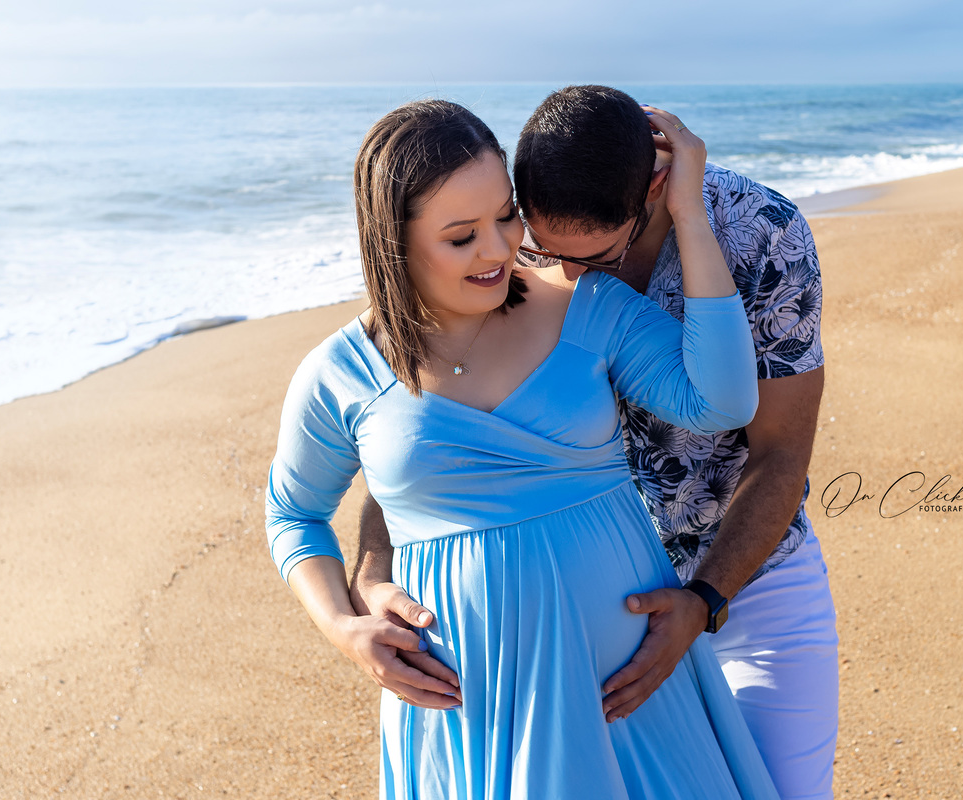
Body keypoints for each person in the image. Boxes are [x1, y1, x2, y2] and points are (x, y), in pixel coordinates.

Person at [265, 99, 779, 798]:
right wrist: (343, 628)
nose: (498, 250)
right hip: (469, 710)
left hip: (628, 691)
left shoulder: (586, 306)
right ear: (394, 242)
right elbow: (293, 514)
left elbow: (722, 399)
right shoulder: (341, 373)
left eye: (506, 216)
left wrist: (688, 212)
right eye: (461, 237)